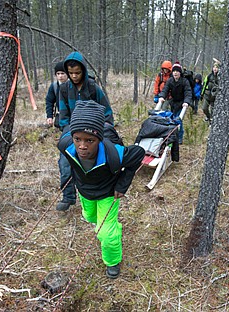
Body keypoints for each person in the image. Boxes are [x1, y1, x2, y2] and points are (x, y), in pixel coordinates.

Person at [57, 101, 145, 279]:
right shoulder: (65, 145)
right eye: (78, 139)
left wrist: (122, 186)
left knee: (104, 233)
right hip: (85, 191)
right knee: (89, 217)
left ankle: (112, 261)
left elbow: (139, 154)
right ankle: (110, 227)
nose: (82, 146)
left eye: (89, 141)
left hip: (107, 193)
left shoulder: (114, 153)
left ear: (99, 139)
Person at [56, 51, 114, 212]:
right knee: (65, 162)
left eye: (78, 73)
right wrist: (69, 135)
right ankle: (68, 197)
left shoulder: (94, 88)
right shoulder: (64, 90)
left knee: (98, 163)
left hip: (93, 134)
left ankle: (98, 194)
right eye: (71, 73)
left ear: (84, 71)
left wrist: (105, 132)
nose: (74, 76)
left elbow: (107, 113)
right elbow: (64, 117)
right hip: (73, 133)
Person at [157, 62, 192, 144]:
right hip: (173, 103)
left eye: (177, 71)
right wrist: (162, 96)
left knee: (178, 120)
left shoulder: (185, 81)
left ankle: (179, 137)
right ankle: (171, 136)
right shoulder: (170, 81)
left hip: (182, 104)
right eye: (174, 71)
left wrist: (186, 102)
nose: (175, 73)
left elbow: (188, 92)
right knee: (171, 119)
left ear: (180, 72)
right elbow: (165, 89)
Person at [45, 61, 68, 128]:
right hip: (61, 115)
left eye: (62, 73)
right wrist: (49, 116)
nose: (60, 76)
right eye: (58, 73)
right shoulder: (54, 86)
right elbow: (49, 101)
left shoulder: (73, 85)